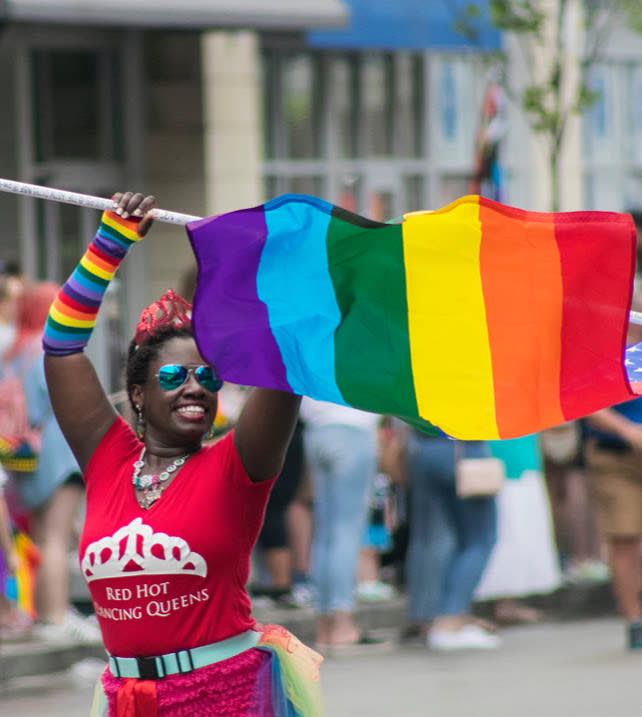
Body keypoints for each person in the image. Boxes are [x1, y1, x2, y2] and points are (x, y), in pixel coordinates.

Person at [43, 192, 321, 716]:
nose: (195, 387)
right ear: (140, 395)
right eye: (173, 376)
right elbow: (61, 345)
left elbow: (285, 365)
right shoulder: (107, 459)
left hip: (225, 694)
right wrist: (108, 244)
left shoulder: (236, 466)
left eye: (208, 377)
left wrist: (266, 267)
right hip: (126, 700)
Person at [1, 281, 99, 643]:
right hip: (58, 451)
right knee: (58, 537)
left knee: (44, 538)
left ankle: (46, 616)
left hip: (23, 455)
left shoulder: (11, 354)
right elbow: (62, 401)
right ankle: (55, 617)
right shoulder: (48, 350)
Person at [300, 398, 386, 653]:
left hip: (317, 430)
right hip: (353, 428)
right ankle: (342, 624)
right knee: (347, 531)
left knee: (325, 531)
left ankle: (324, 625)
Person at [583, 289, 642, 649]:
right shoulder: (600, 348)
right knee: (624, 538)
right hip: (614, 456)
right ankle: (633, 618)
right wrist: (628, 431)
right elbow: (585, 402)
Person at [402, 431, 499, 650]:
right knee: (478, 540)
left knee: (435, 539)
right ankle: (449, 620)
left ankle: (434, 618)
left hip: (423, 449)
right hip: (462, 449)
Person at [474, 434, 561, 624]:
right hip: (503, 461)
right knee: (509, 531)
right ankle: (503, 602)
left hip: (518, 457)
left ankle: (507, 602)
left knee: (516, 531)